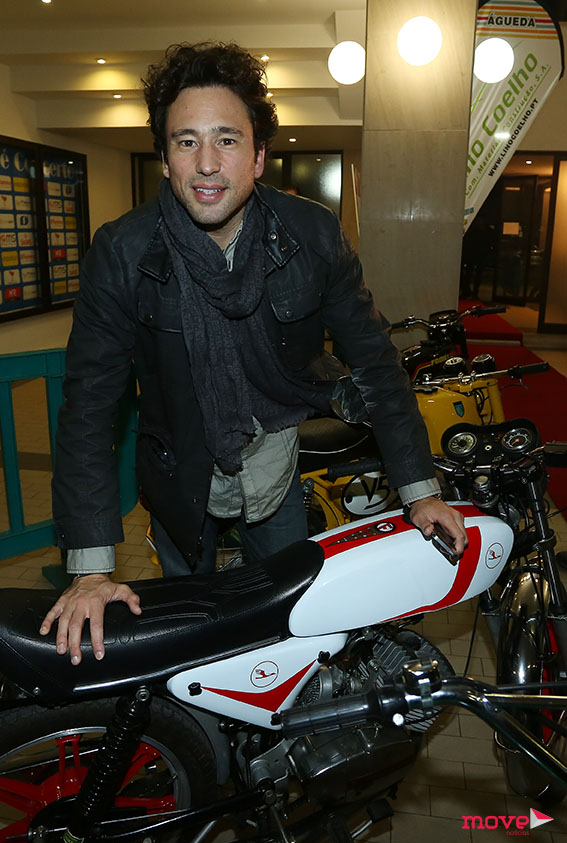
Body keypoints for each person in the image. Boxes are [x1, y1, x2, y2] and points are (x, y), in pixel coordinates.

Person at [40, 42, 467, 665]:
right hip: (178, 470)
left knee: (292, 619)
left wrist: (419, 490)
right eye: (186, 142)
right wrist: (90, 569)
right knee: (187, 637)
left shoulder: (312, 234)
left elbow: (376, 363)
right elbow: (89, 409)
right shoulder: (122, 251)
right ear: (165, 158)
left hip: (273, 461)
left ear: (259, 155)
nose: (207, 164)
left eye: (227, 140)